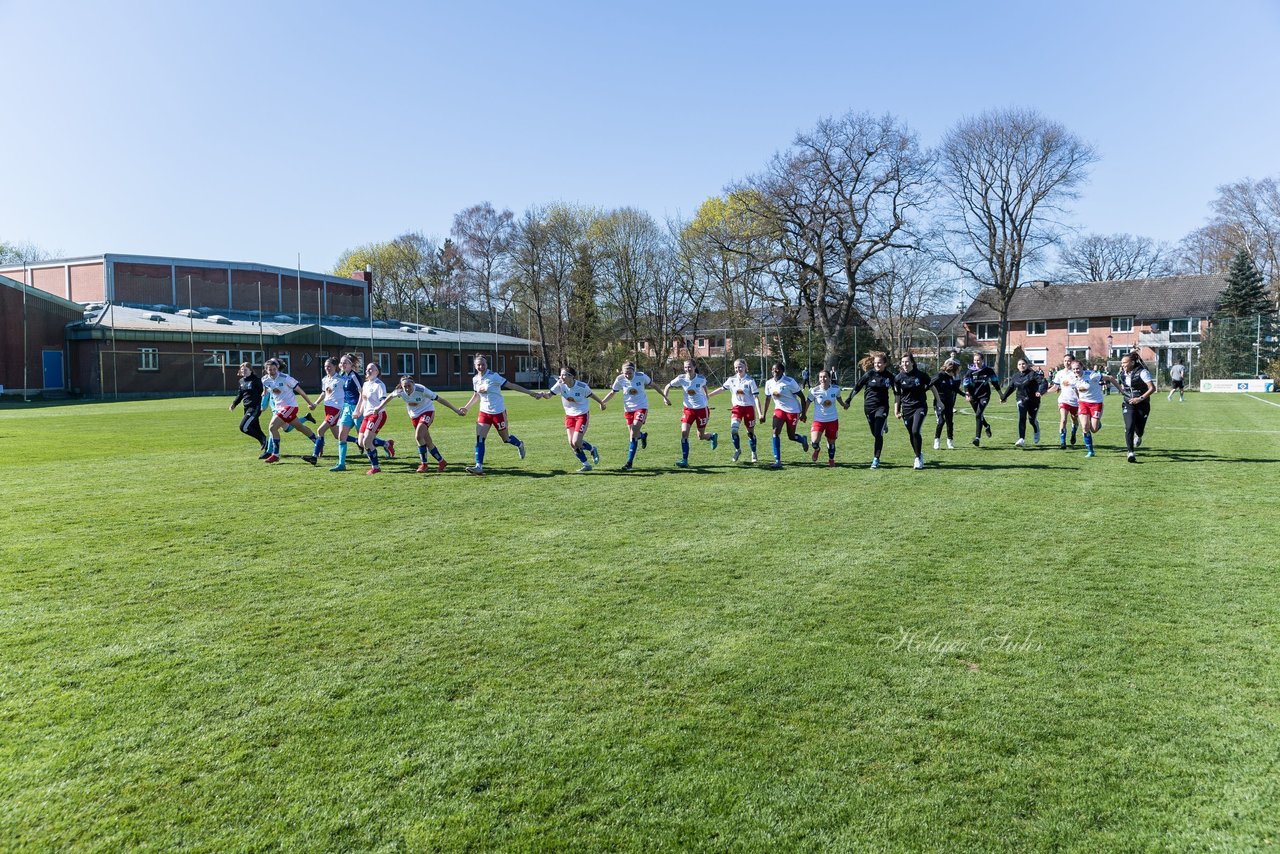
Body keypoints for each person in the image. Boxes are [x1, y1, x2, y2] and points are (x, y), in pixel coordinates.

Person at [457, 354, 538, 476]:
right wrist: (466, 408)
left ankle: (520, 444)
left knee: (506, 439)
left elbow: (511, 385)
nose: (481, 366)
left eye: (483, 364)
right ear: (474, 366)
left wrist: (530, 393)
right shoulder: (475, 379)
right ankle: (479, 466)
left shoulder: (494, 376)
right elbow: (476, 395)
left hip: (498, 412)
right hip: (484, 412)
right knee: (480, 438)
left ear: (487, 364)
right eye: (478, 364)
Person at [369, 374, 464, 473]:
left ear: (413, 384)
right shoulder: (400, 391)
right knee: (428, 441)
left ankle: (424, 464)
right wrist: (379, 408)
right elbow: (389, 397)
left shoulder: (421, 389)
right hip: (414, 416)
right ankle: (442, 461)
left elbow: (440, 399)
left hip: (427, 412)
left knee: (418, 436)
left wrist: (456, 410)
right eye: (404, 386)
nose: (407, 388)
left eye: (409, 386)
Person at [599, 360, 668, 471]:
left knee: (633, 432)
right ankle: (643, 436)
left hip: (641, 407)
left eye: (630, 373)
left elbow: (654, 385)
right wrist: (603, 402)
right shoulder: (620, 379)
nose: (627, 375)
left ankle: (629, 463)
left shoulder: (641, 377)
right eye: (625, 373)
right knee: (634, 434)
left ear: (634, 371)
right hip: (628, 409)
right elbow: (613, 392)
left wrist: (665, 397)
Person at [260, 357, 319, 463]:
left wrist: (310, 403)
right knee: (299, 427)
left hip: (290, 407)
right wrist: (264, 393)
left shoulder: (285, 378)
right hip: (279, 408)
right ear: (266, 369)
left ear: (277, 368)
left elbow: (300, 391)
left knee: (272, 428)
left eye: (274, 369)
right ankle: (317, 442)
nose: (272, 371)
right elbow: (266, 387)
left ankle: (275, 454)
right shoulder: (265, 379)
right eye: (269, 369)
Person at [547, 366, 606, 472]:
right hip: (569, 415)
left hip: (582, 415)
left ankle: (592, 449)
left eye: (564, 374)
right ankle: (586, 464)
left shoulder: (582, 387)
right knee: (571, 443)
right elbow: (549, 395)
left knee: (576, 442)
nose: (561, 377)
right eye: (560, 374)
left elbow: (592, 395)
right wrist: (542, 394)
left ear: (571, 376)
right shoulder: (560, 384)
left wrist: (601, 403)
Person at [662, 360, 718, 468]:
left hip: (702, 410)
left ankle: (711, 436)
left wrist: (706, 395)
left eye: (689, 367)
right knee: (684, 433)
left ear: (694, 367)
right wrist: (665, 398)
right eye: (685, 367)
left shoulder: (701, 378)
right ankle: (684, 460)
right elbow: (667, 386)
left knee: (700, 436)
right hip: (688, 410)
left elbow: (705, 386)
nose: (687, 369)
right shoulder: (681, 378)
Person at [707, 359, 763, 464]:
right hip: (737, 408)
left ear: (745, 367)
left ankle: (754, 452)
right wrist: (709, 395)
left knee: (750, 434)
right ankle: (737, 450)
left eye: (740, 367)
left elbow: (756, 397)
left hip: (748, 409)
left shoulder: (750, 381)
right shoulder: (731, 380)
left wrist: (760, 413)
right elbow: (721, 389)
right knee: (734, 430)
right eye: (736, 367)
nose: (738, 369)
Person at [848, 351, 895, 469]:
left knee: (878, 433)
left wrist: (900, 404)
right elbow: (857, 387)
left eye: (879, 363)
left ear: (885, 364)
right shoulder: (869, 375)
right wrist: (849, 400)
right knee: (875, 433)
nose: (877, 365)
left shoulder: (890, 377)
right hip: (869, 407)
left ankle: (876, 459)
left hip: (882, 407)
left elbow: (898, 391)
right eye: (875, 363)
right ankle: (884, 424)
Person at [762, 362, 809, 469]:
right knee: (775, 432)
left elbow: (802, 397)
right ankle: (777, 460)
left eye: (777, 369)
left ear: (782, 371)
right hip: (779, 409)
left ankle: (802, 439)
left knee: (791, 436)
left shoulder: (790, 382)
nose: (774, 371)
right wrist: (763, 415)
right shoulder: (769, 383)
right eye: (773, 369)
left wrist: (803, 413)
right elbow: (767, 399)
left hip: (793, 411)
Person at [1072, 357, 1121, 458]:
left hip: (1096, 403)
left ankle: (1098, 424)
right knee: (1085, 427)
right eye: (1074, 369)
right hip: (1083, 403)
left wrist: (1122, 390)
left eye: (1077, 368)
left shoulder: (1092, 375)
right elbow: (1075, 389)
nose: (1076, 370)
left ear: (1082, 367)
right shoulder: (1073, 378)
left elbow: (1110, 378)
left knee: (1093, 429)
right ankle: (1090, 451)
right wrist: (1078, 399)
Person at [893, 353, 932, 470]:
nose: (905, 364)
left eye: (907, 362)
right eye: (903, 362)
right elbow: (897, 396)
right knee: (912, 433)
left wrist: (939, 401)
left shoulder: (920, 375)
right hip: (906, 409)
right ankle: (918, 453)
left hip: (920, 407)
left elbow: (932, 386)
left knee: (915, 431)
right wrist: (896, 410)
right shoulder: (898, 378)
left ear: (912, 363)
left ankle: (917, 458)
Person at [999, 358, 1048, 447]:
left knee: (1032, 420)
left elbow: (1043, 382)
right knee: (1022, 417)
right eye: (1019, 364)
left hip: (1034, 400)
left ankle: (1036, 429)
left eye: (1023, 364)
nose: (1022, 366)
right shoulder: (1015, 376)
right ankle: (1021, 439)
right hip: (1021, 399)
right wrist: (1003, 397)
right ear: (1017, 366)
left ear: (1027, 365)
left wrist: (1040, 391)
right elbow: (1011, 387)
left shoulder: (1033, 374)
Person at [1117, 352, 1157, 463]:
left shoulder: (1143, 372)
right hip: (1128, 403)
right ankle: (1130, 452)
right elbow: (1124, 386)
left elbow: (1152, 388)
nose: (1123, 364)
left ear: (1132, 362)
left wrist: (1140, 398)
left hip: (1142, 404)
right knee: (1129, 426)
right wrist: (1124, 393)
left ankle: (1138, 435)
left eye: (1125, 362)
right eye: (1122, 363)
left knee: (1139, 429)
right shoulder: (1122, 373)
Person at [356, 361, 394, 474]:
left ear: (377, 372)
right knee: (361, 442)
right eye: (367, 368)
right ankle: (386, 444)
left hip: (377, 415)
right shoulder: (366, 384)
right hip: (367, 415)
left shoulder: (379, 385)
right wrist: (359, 412)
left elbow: (384, 400)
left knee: (367, 441)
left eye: (371, 369)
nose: (368, 370)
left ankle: (375, 467)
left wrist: (377, 408)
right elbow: (364, 400)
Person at [806, 368, 849, 466]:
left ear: (829, 378)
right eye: (820, 377)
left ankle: (831, 460)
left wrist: (843, 405)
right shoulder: (814, 391)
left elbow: (838, 398)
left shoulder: (836, 389)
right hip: (818, 420)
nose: (822, 379)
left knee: (831, 443)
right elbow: (808, 402)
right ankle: (817, 449)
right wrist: (803, 414)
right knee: (814, 442)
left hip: (832, 420)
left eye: (825, 377)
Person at [228, 361, 268, 456]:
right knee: (256, 428)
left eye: (245, 369)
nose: (244, 371)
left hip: (255, 408)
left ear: (250, 370)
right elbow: (240, 394)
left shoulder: (257, 380)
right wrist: (234, 404)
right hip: (246, 408)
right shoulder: (241, 381)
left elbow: (266, 391)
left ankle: (263, 440)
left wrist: (264, 403)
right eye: (242, 370)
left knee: (244, 427)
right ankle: (268, 450)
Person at [961, 353, 1000, 447]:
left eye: (978, 360)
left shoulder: (988, 370)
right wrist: (967, 394)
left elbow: (995, 382)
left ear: (982, 360)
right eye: (975, 360)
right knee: (979, 415)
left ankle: (977, 438)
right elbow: (965, 385)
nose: (976, 362)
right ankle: (987, 426)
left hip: (984, 396)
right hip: (973, 397)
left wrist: (1001, 394)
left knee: (978, 414)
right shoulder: (970, 371)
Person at [1047, 356, 1081, 449]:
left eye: (1069, 361)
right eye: (1065, 361)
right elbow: (1055, 387)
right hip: (1063, 400)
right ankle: (1063, 442)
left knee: (1074, 419)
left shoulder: (1077, 372)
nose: (1067, 363)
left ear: (1072, 361)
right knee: (1063, 419)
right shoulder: (1060, 373)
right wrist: (1044, 392)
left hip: (1075, 401)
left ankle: (1073, 433)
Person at [929, 358, 961, 451]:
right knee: (941, 421)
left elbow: (955, 389)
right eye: (955, 372)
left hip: (949, 403)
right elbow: (929, 384)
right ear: (952, 370)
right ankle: (937, 441)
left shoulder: (950, 378)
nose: (955, 374)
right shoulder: (939, 376)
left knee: (950, 422)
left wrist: (965, 395)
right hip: (939, 403)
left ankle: (950, 441)